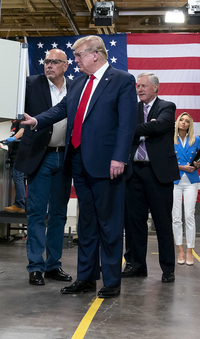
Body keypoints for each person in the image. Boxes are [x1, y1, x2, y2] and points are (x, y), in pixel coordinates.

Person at [20, 35, 137, 299]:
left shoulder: (122, 80)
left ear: (95, 54)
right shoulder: (79, 83)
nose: (75, 61)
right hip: (79, 163)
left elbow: (128, 123)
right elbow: (62, 109)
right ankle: (86, 277)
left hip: (108, 165)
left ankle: (111, 280)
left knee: (109, 224)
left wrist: (119, 157)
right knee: (86, 224)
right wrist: (36, 120)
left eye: (78, 55)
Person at [15, 49, 73, 286]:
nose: (49, 65)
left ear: (66, 65)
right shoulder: (30, 84)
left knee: (59, 214)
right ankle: (36, 267)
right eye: (47, 61)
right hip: (40, 156)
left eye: (55, 62)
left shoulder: (75, 87)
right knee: (37, 212)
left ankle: (53, 265)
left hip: (66, 156)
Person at [122, 73, 180, 283]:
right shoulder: (133, 109)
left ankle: (167, 269)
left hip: (158, 174)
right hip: (134, 173)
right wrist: (147, 128)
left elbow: (160, 126)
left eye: (144, 86)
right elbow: (148, 128)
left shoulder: (167, 106)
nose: (139, 89)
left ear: (155, 87)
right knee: (134, 223)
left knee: (162, 223)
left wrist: (132, 130)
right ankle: (136, 266)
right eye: (138, 86)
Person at [172, 112, 200, 266]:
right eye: (182, 119)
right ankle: (179, 249)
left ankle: (189, 250)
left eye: (187, 121)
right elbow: (165, 160)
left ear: (190, 124)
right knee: (176, 217)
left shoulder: (196, 140)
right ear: (177, 122)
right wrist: (182, 167)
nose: (184, 122)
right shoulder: (170, 140)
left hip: (191, 181)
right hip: (175, 180)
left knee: (189, 215)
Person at [3, 125, 26, 214]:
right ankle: (20, 203)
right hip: (14, 157)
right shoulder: (13, 124)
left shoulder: (21, 121)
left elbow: (23, 130)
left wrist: (14, 138)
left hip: (20, 156)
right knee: (18, 179)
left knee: (18, 178)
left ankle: (19, 205)